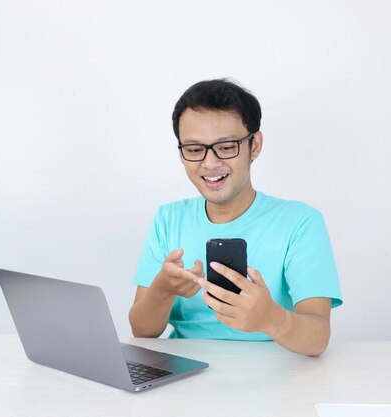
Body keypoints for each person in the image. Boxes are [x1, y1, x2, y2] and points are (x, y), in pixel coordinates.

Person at [128, 79, 342, 356]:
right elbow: (142, 332)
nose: (210, 163)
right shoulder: (167, 219)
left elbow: (318, 338)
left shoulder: (301, 222)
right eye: (194, 150)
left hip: (276, 378)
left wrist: (272, 319)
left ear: (255, 145)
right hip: (183, 376)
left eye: (226, 147)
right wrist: (162, 290)